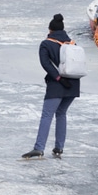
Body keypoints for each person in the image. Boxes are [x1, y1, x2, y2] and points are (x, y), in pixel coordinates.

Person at [22, 14, 79, 159]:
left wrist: (58, 78)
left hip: (57, 85)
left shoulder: (46, 44)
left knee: (47, 115)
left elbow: (45, 63)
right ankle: (59, 147)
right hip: (73, 84)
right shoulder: (73, 44)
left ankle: (39, 148)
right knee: (61, 113)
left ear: (50, 29)